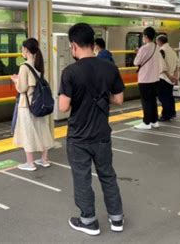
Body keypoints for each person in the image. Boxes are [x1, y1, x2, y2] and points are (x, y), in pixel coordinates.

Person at [59, 23, 126, 236]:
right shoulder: (109, 68)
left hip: (79, 136)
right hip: (102, 135)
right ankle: (116, 218)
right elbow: (119, 100)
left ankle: (89, 221)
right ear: (93, 43)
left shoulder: (70, 72)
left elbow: (63, 107)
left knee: (82, 177)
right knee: (107, 175)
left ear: (74, 46)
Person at [11, 38, 54, 171]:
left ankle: (30, 163)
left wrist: (15, 81)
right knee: (42, 130)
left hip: (27, 105)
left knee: (27, 133)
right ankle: (44, 160)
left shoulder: (24, 67)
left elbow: (22, 88)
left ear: (26, 50)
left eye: (22, 49)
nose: (22, 51)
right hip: (39, 104)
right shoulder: (39, 65)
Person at [133, 27, 161, 130]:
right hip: (155, 78)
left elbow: (136, 62)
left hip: (145, 79)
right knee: (153, 100)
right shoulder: (156, 47)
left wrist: (137, 53)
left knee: (146, 101)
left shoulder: (143, 48)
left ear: (145, 36)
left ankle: (146, 122)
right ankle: (154, 121)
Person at [156, 35, 179, 121]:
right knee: (170, 96)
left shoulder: (161, 50)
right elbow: (177, 64)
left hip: (164, 78)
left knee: (163, 97)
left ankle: (165, 115)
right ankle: (172, 113)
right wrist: (175, 76)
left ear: (160, 42)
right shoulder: (172, 50)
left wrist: (170, 77)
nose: (156, 43)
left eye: (157, 42)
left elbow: (163, 67)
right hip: (172, 78)